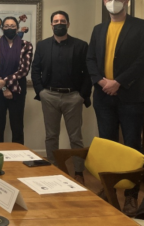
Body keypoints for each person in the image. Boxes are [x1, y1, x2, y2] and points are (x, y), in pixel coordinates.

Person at [87, 0, 144, 216]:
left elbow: (143, 60)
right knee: (107, 145)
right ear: (104, 2)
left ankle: (131, 196)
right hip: (104, 96)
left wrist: (119, 82)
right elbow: (91, 59)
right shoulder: (98, 29)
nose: (112, 2)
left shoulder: (141, 27)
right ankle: (108, 190)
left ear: (125, 1)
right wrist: (102, 81)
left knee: (132, 146)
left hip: (131, 96)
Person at [31, 10, 91, 184]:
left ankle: (78, 172)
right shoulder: (42, 46)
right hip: (49, 95)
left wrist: (82, 95)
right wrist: (40, 91)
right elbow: (35, 70)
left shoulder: (80, 46)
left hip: (73, 97)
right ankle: (53, 168)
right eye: (55, 21)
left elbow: (88, 73)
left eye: (62, 21)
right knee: (51, 135)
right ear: (51, 24)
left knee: (76, 137)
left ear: (68, 24)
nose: (59, 24)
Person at [0, 17, 33, 144]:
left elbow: (24, 70)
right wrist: (4, 88)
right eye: (6, 26)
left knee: (17, 127)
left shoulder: (26, 45)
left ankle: (17, 159)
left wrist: (5, 82)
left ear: (17, 28)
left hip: (18, 90)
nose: (9, 28)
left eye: (12, 26)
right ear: (2, 28)